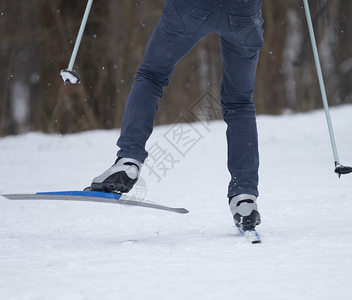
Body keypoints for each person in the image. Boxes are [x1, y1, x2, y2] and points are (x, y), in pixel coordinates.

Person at [90, 0, 263, 231]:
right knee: (240, 101)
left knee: (151, 76)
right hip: (243, 11)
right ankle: (244, 197)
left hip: (192, 7)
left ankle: (129, 160)